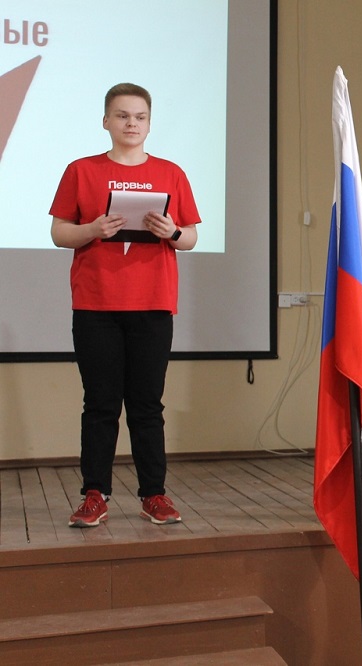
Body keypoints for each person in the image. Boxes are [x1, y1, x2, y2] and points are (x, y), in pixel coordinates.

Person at [50, 82, 200, 528]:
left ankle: (154, 494)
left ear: (149, 124)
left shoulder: (171, 173)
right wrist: (93, 229)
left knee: (147, 405)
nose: (131, 123)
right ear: (106, 121)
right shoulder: (81, 170)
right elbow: (59, 232)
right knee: (100, 404)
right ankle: (94, 494)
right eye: (121, 115)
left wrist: (172, 231)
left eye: (139, 117)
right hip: (96, 305)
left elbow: (191, 237)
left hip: (153, 304)